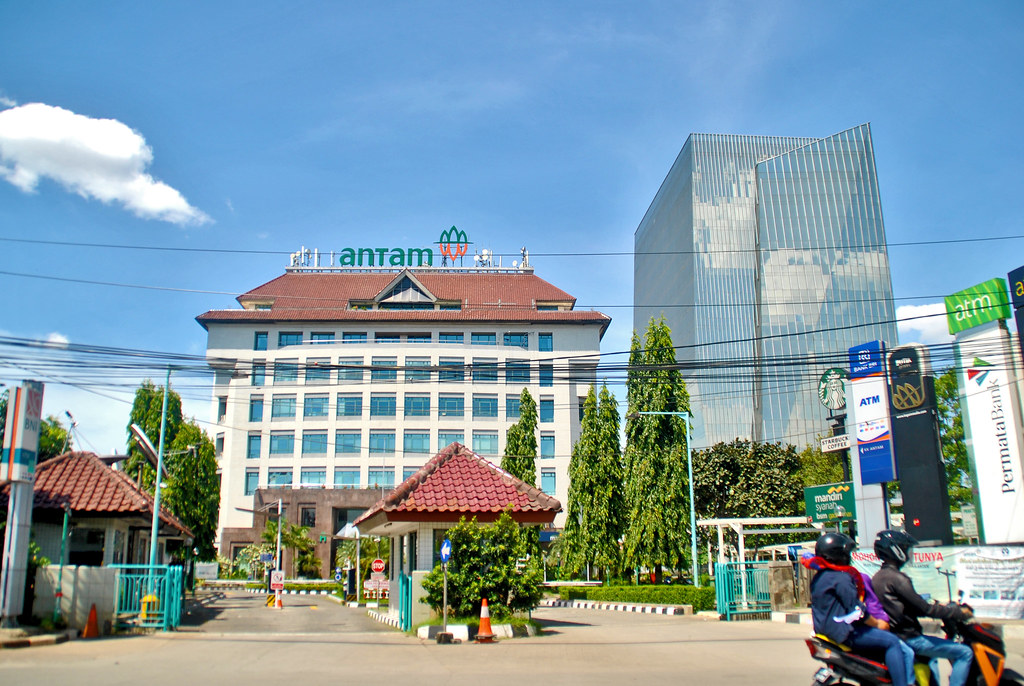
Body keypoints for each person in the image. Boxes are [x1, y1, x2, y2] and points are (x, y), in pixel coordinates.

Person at [807, 532, 914, 686]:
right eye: (847, 552)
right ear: (839, 553)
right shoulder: (841, 577)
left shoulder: (820, 577)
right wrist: (877, 623)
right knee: (892, 642)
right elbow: (856, 611)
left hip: (825, 632)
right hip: (844, 633)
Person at [872, 529, 974, 686]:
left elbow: (911, 607)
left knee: (932, 659)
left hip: (897, 636)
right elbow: (926, 609)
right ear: (896, 550)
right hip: (910, 638)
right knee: (965, 653)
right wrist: (956, 612)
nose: (909, 553)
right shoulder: (898, 579)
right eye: (906, 548)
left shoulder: (878, 577)